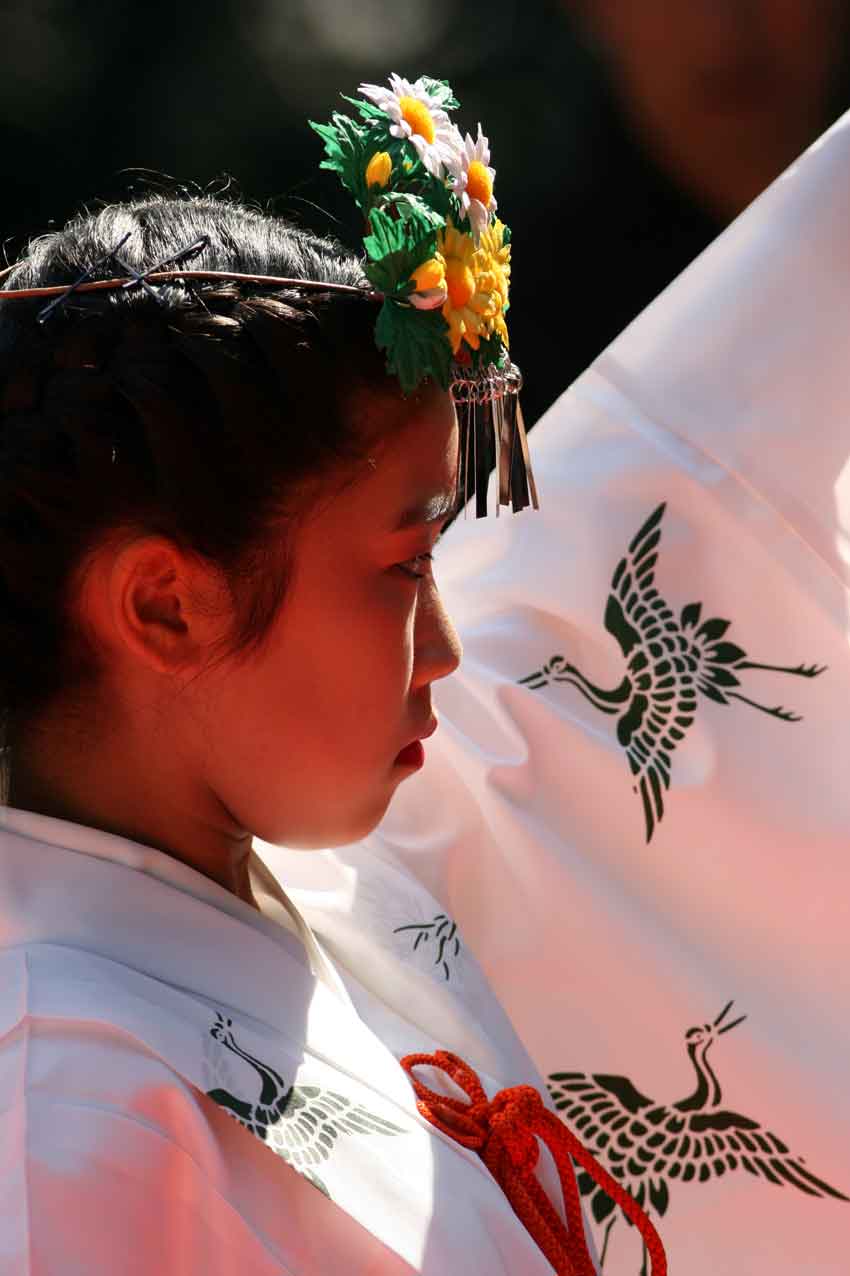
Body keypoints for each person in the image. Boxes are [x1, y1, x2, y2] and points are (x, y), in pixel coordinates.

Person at [0, 76, 665, 1275]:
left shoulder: (303, 907)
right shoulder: (64, 1104)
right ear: (168, 603)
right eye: (405, 566)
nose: (447, 651)